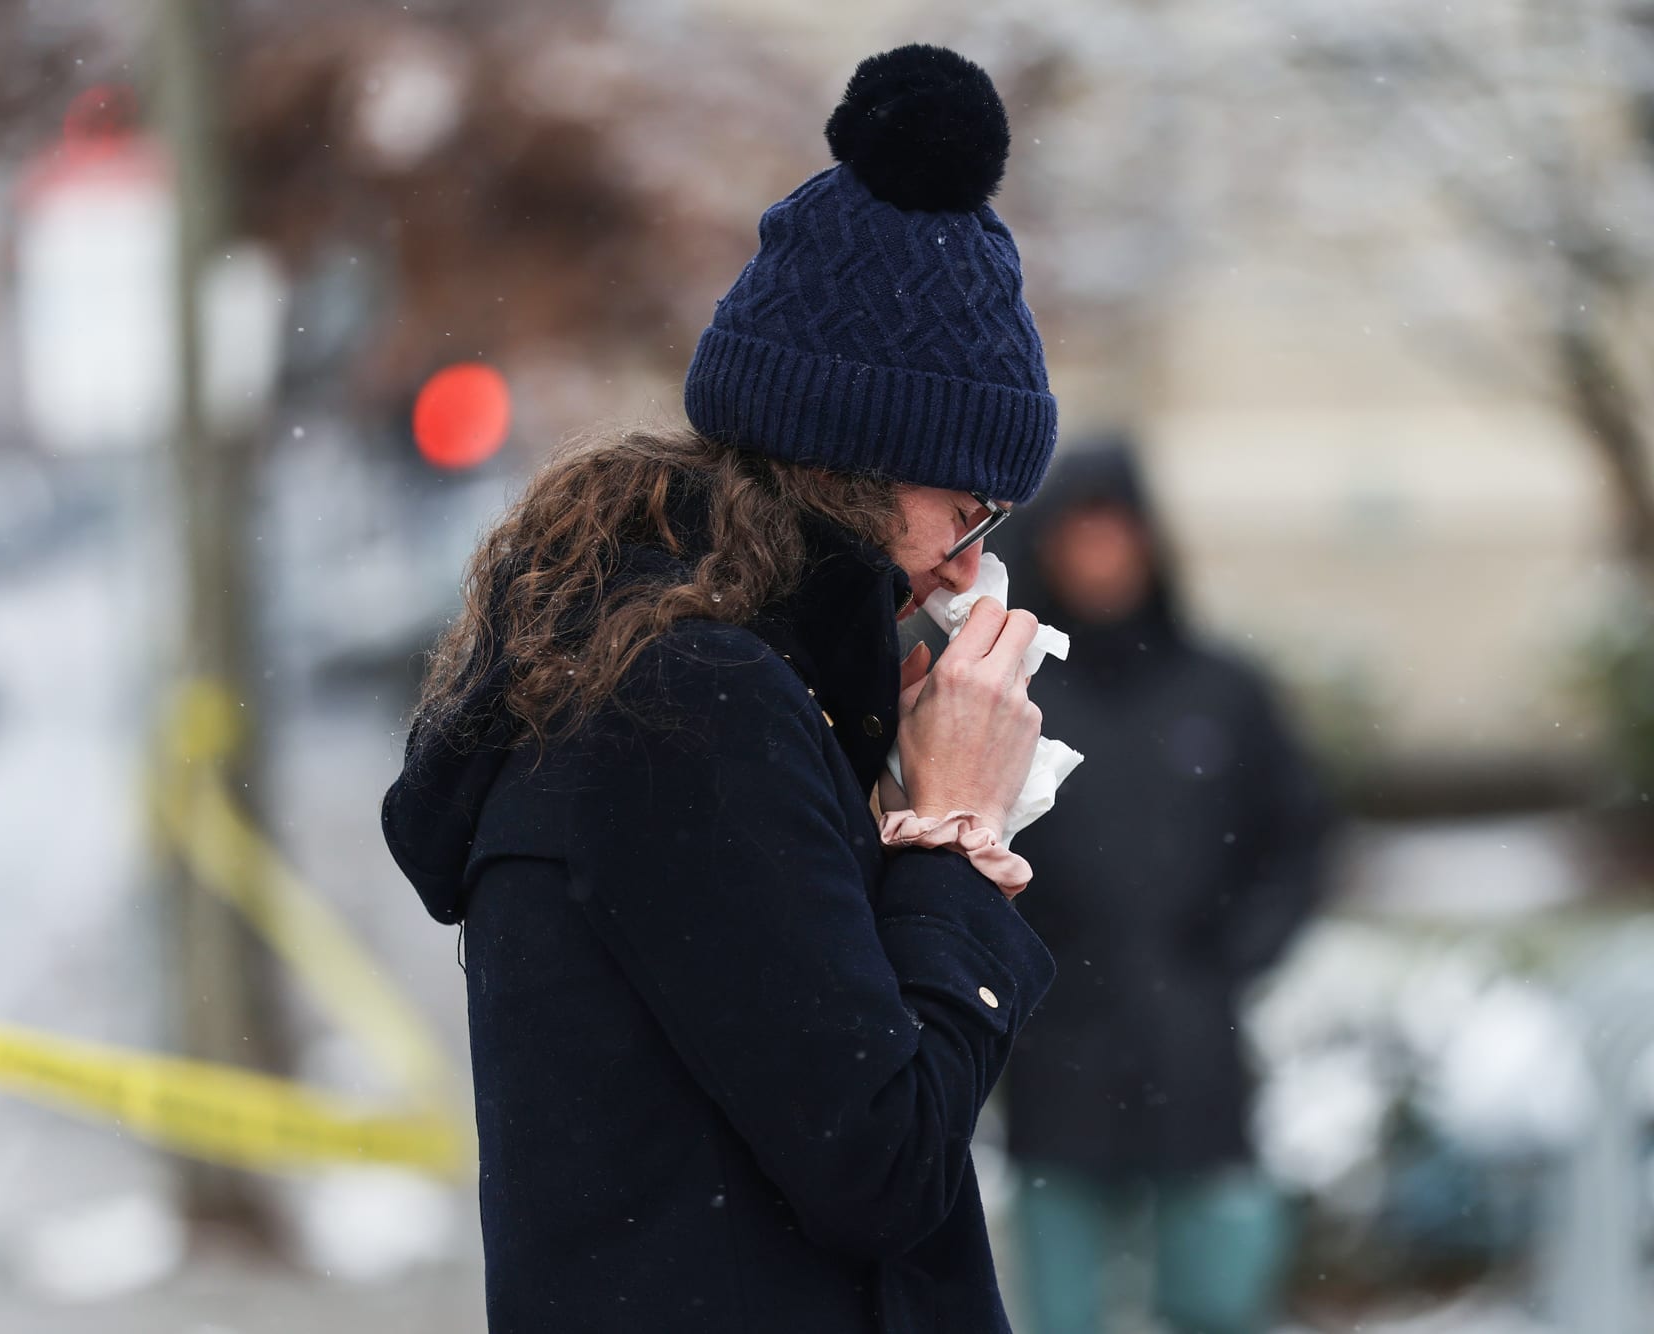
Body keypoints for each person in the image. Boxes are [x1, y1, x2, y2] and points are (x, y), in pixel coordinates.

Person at [384, 45, 1062, 1334]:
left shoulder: (690, 673)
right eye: (965, 510)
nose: (969, 565)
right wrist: (954, 837)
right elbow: (880, 1162)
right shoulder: (688, 705)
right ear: (854, 464)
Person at [995, 442, 1334, 1334]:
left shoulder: (1223, 692)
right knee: (1060, 1306)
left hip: (1195, 1053)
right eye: (1081, 536)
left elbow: (1297, 837)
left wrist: (1234, 955)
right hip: (1055, 1055)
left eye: (1118, 534)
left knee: (1218, 1297)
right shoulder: (1008, 696)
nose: (1101, 558)